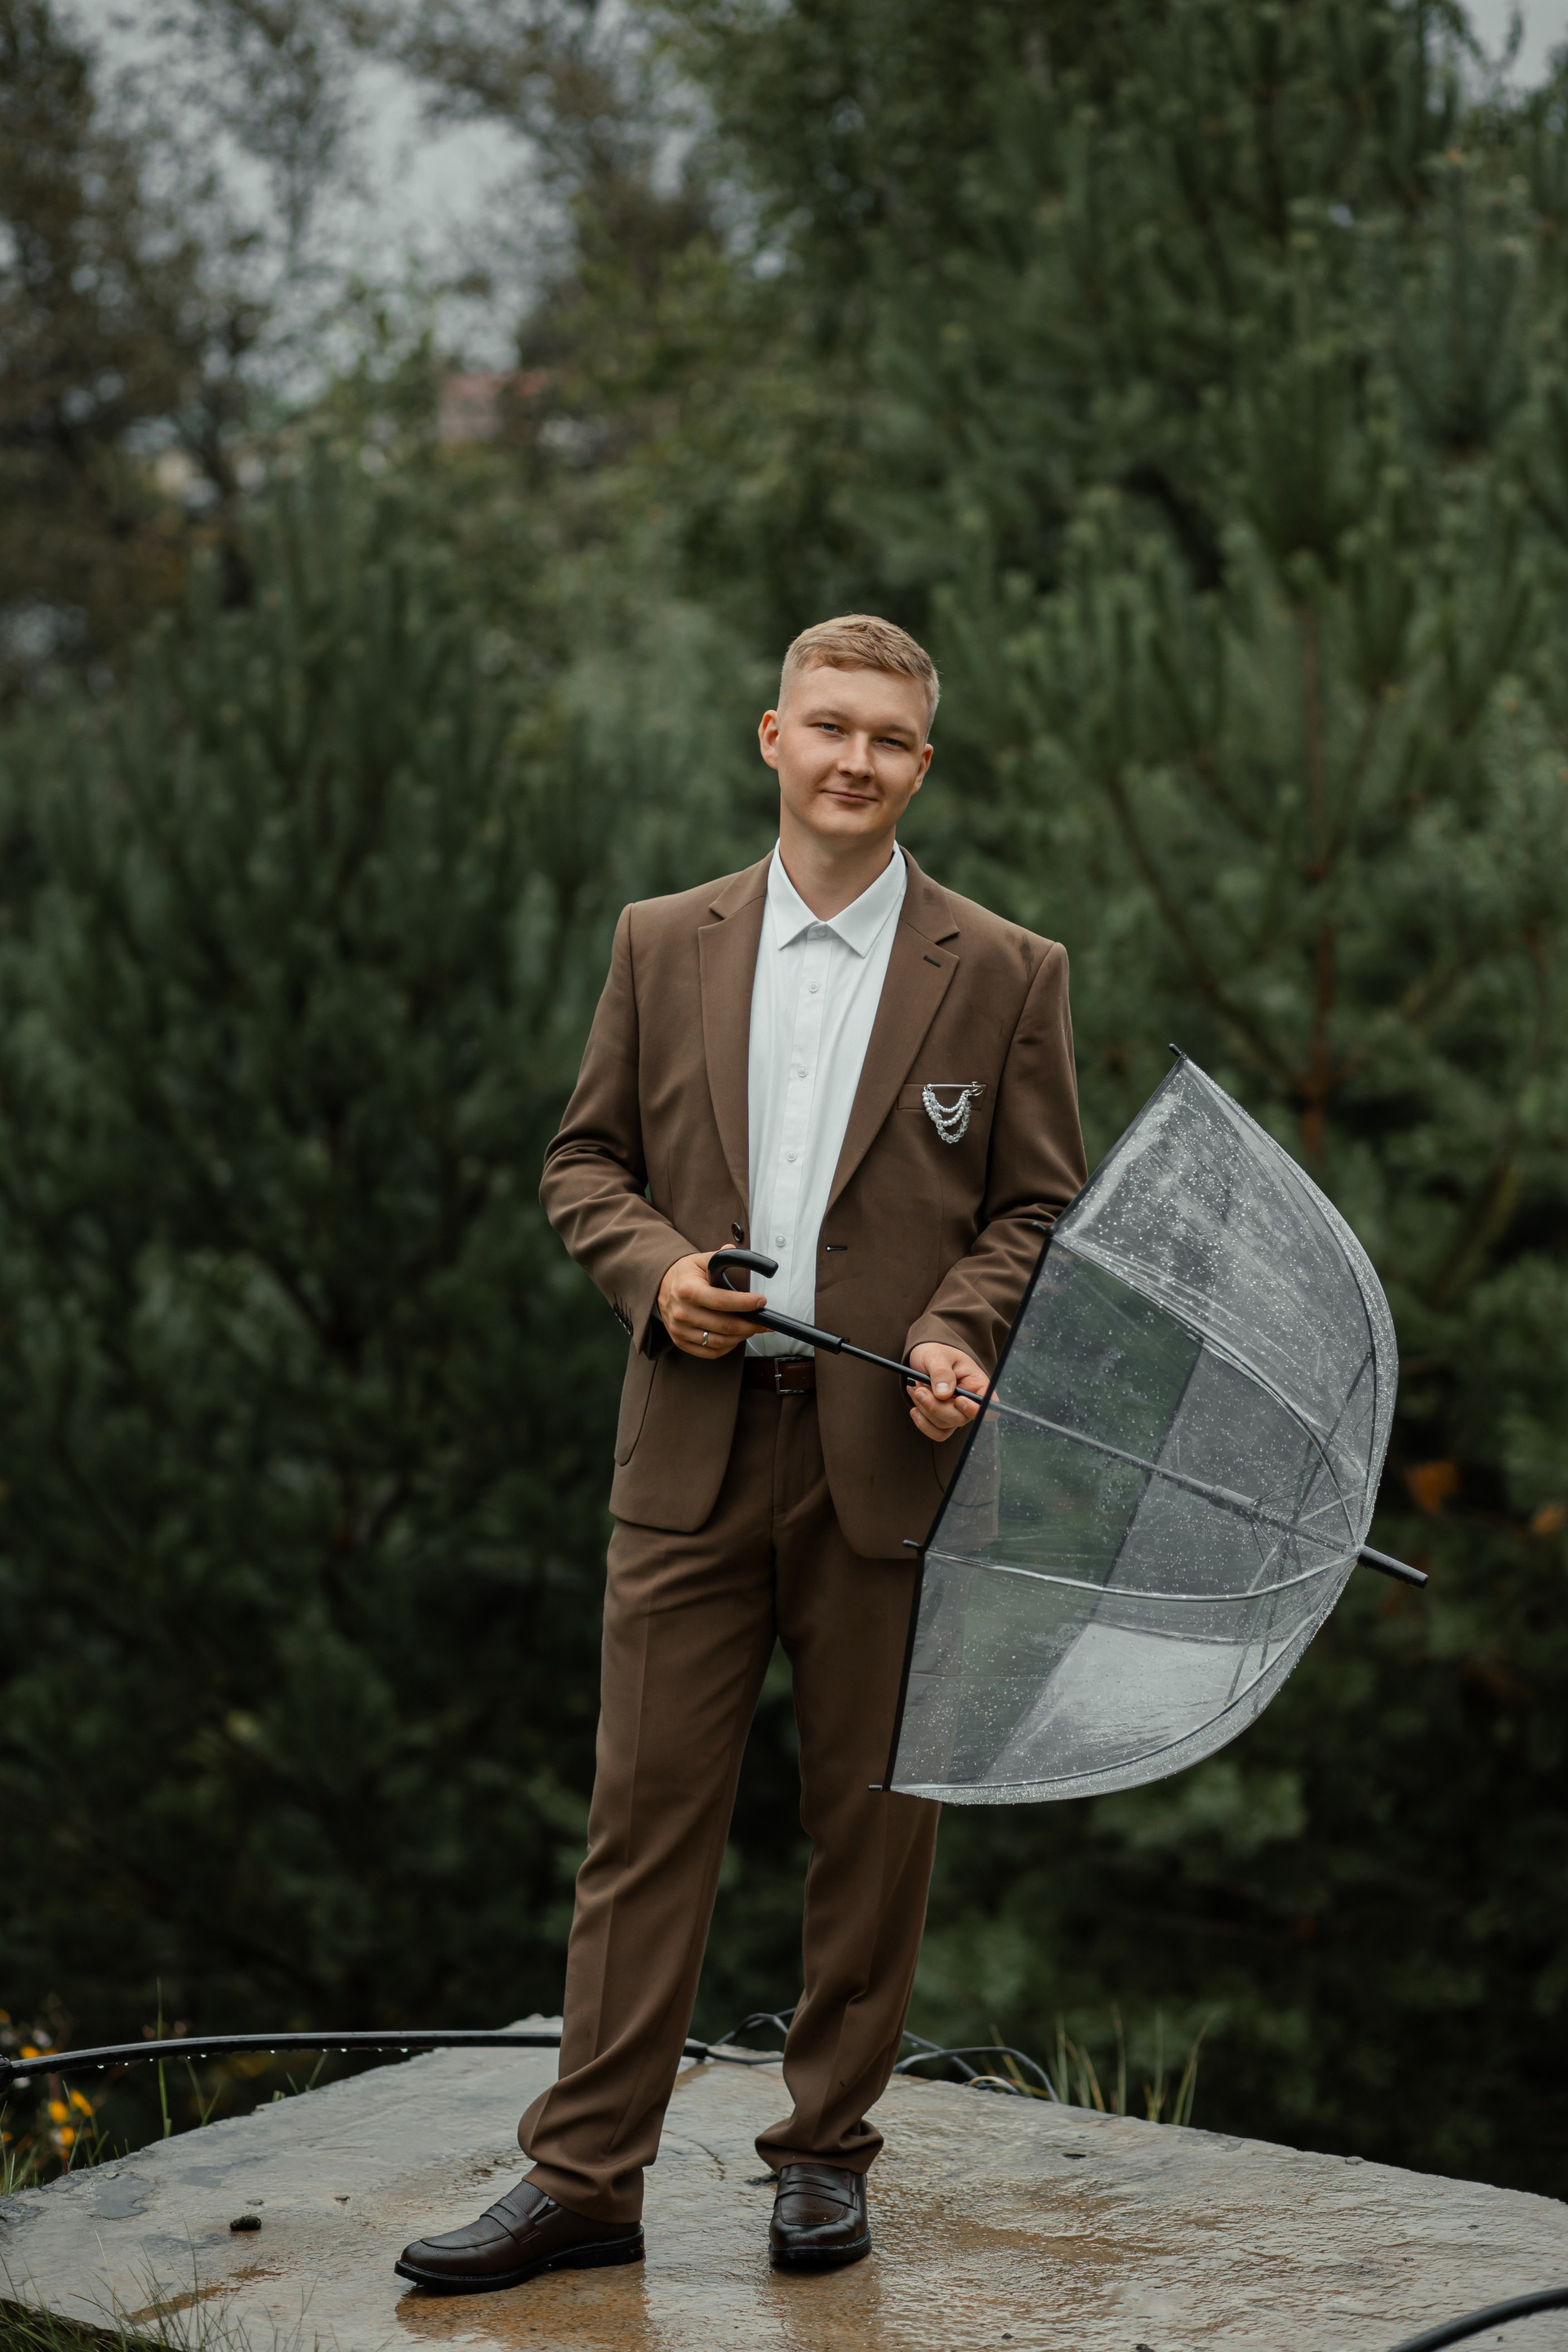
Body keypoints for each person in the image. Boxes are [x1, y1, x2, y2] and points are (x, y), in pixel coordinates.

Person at [395, 613, 1086, 2294]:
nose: (857, 759)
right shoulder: (661, 940)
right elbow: (584, 1164)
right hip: (691, 1456)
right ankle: (584, 2180)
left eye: (890, 738)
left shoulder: (1008, 970)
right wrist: (658, 1281)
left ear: (922, 766)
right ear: (771, 738)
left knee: (873, 1831)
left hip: (893, 1463)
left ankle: (825, 2160)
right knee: (643, 1826)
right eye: (828, 725)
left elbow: (1035, 1207)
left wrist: (961, 1331)